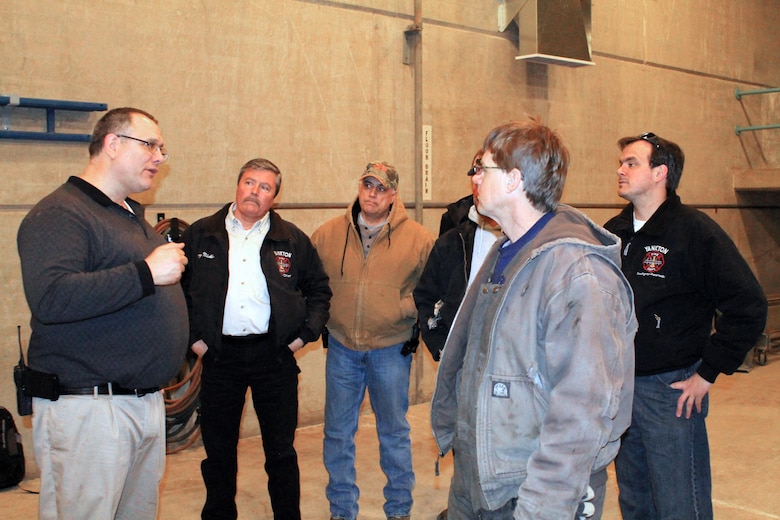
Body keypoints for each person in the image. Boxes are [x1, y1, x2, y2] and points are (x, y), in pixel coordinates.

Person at [430, 118, 637, 520]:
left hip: (533, 491)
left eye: (482, 167)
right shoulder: (504, 254)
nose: (473, 177)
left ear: (513, 179)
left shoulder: (578, 274)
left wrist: (542, 507)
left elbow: (582, 411)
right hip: (480, 481)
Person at [16, 107, 189, 520]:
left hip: (140, 404)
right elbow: (52, 298)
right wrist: (146, 272)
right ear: (112, 144)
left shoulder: (126, 214)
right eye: (150, 144)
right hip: (91, 410)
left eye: (162, 148)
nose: (160, 156)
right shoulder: (62, 213)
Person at [605, 132, 768, 519]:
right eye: (622, 162)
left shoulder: (694, 232)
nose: (620, 170)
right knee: (634, 499)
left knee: (680, 503)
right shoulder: (614, 232)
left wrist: (708, 372)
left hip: (671, 391)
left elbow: (748, 304)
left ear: (660, 172)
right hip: (622, 388)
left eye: (632, 163)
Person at [180, 158, 331, 520]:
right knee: (218, 453)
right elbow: (176, 294)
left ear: (274, 198)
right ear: (237, 186)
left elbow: (319, 291)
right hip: (219, 358)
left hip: (274, 358)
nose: (255, 191)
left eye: (265, 187)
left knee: (281, 453)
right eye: (249, 182)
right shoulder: (202, 234)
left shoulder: (291, 239)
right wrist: (195, 342)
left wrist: (302, 338)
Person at [311, 161, 434, 520]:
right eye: (367, 185)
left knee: (394, 433)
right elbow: (312, 284)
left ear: (394, 195)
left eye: (381, 188)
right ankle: (341, 510)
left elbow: (432, 291)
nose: (373, 194)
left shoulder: (419, 239)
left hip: (391, 350)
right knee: (337, 434)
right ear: (359, 187)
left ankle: (398, 510)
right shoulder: (328, 234)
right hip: (342, 349)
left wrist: (401, 308)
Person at [414, 150, 502, 361]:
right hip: (460, 356)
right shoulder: (453, 237)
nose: (476, 179)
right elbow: (427, 293)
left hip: (505, 358)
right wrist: (440, 344)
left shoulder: (524, 236)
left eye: (484, 172)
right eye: (474, 171)